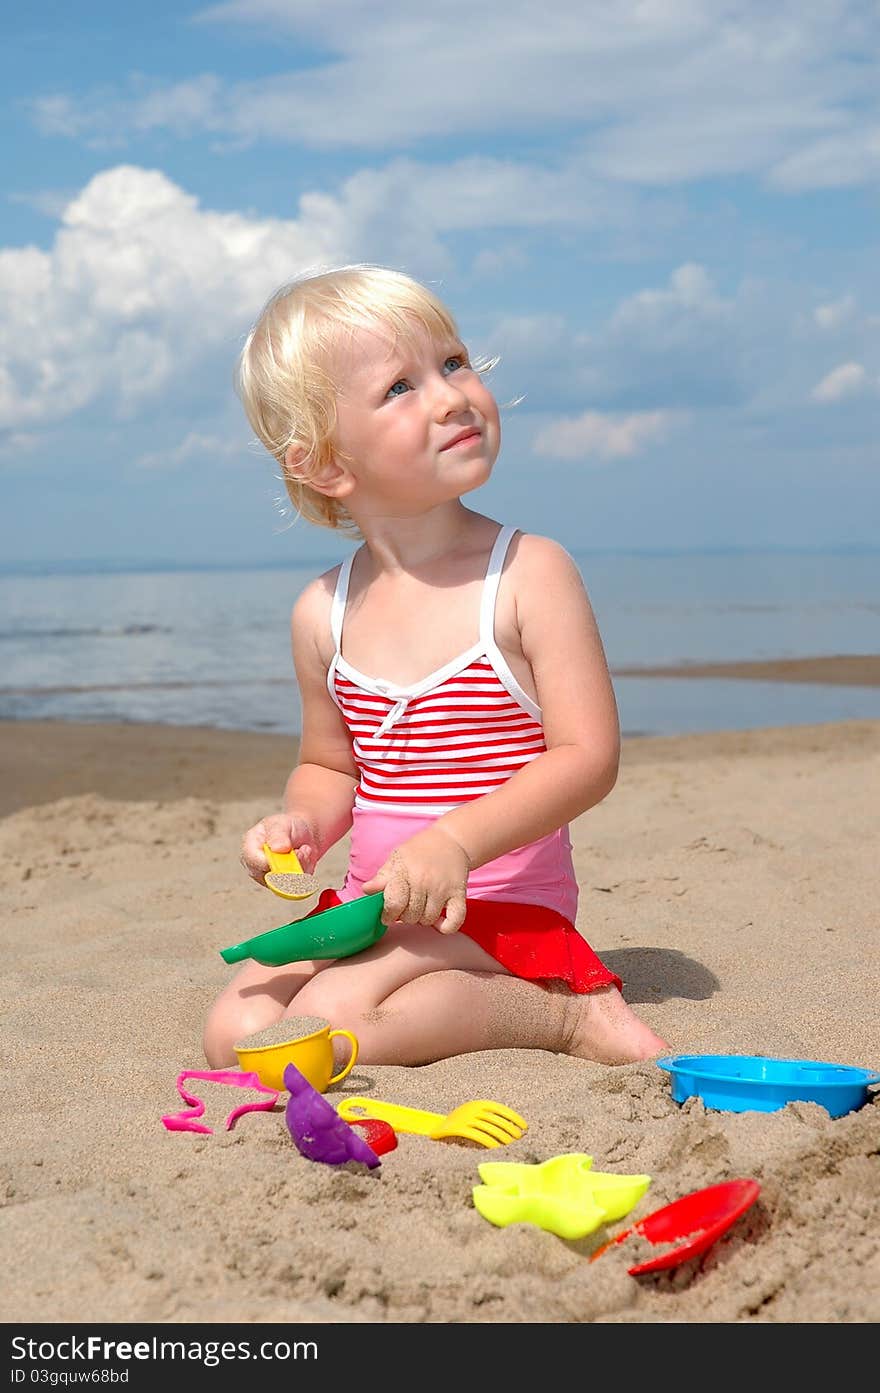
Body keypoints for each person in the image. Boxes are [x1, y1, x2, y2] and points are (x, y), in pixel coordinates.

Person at [203, 263, 668, 1070]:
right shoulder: (325, 611)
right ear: (325, 464)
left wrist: (454, 841)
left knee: (328, 1027)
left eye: (453, 363)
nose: (452, 395)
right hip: (375, 905)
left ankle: (563, 1015)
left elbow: (588, 758)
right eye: (400, 387)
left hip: (499, 909)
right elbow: (328, 764)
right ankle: (491, 1005)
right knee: (233, 1034)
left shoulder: (528, 573)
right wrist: (301, 827)